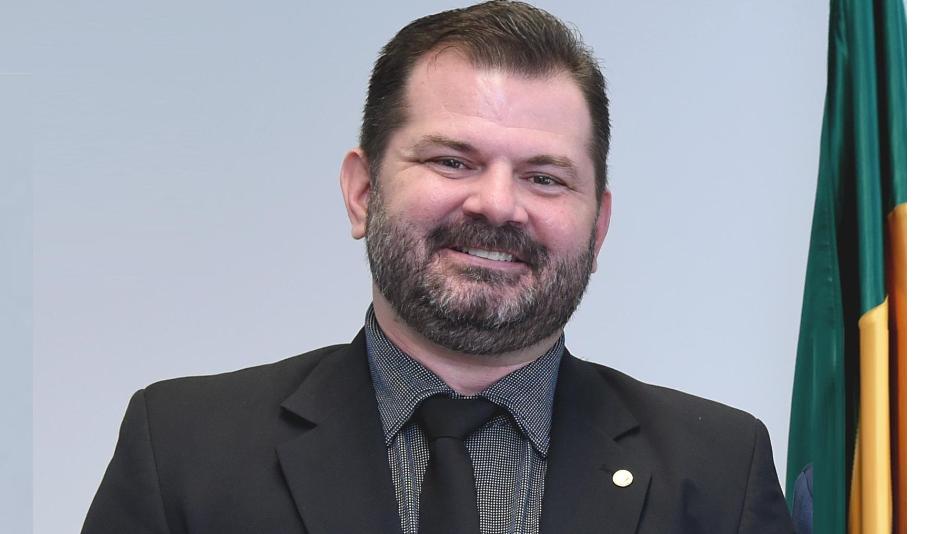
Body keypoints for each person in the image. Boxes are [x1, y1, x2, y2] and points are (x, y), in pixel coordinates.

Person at [82, 2, 794, 533]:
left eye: (545, 177)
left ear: (598, 226)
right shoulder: (183, 450)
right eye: (453, 161)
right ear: (363, 192)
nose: (498, 205)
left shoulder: (719, 472)